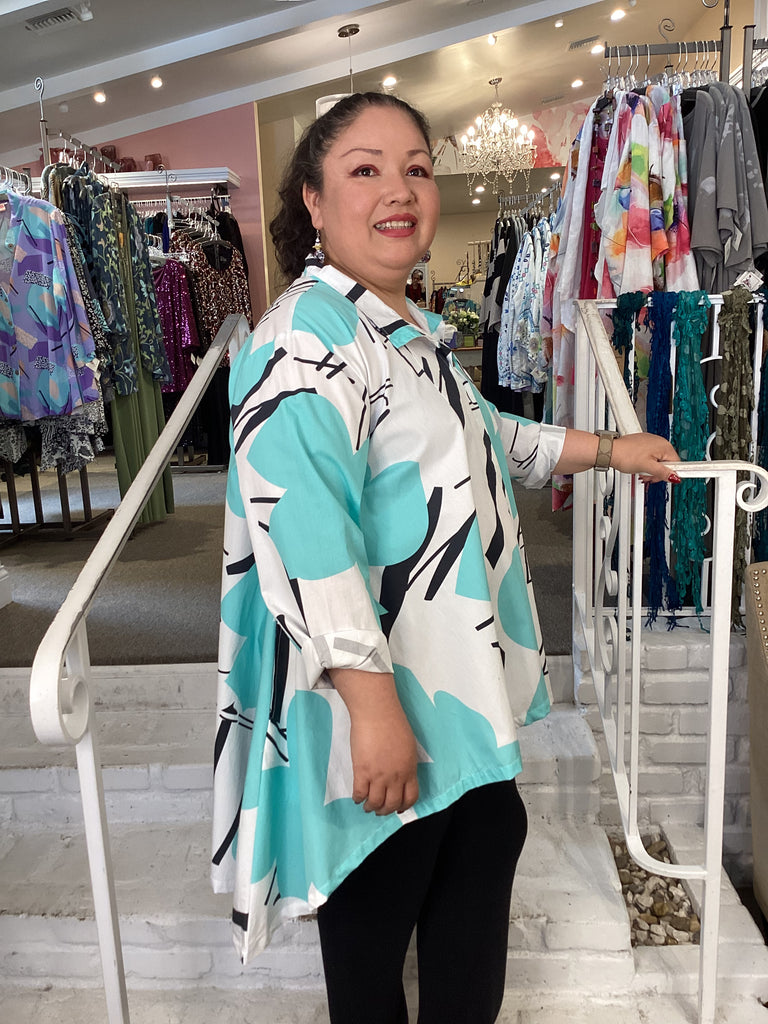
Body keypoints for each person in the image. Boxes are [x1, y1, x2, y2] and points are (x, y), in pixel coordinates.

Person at [212, 91, 680, 1024]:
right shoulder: (303, 339)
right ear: (313, 200)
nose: (399, 190)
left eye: (416, 169)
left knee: (480, 876)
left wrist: (608, 450)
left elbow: (484, 436)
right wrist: (372, 708)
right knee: (374, 949)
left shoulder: (404, 332)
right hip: (382, 707)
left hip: (450, 694)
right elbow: (304, 531)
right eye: (365, 169)